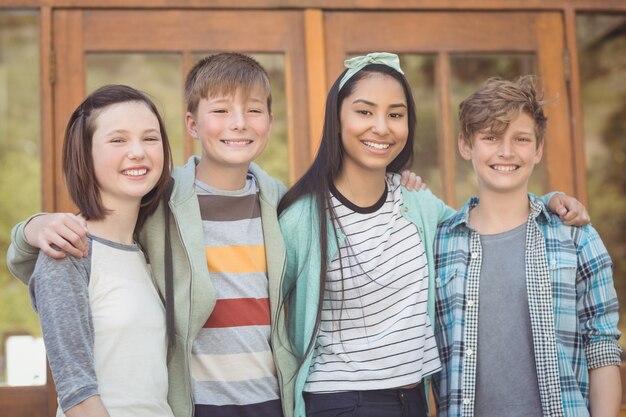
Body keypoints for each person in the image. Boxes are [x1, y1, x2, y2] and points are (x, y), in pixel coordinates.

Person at [6, 53, 420, 417]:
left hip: (273, 401)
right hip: (195, 404)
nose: (238, 124)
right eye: (221, 111)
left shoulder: (285, 205)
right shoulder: (160, 201)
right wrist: (33, 227)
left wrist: (401, 183)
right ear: (191, 122)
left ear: (270, 122)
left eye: (254, 111)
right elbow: (74, 249)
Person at [276, 53, 590, 417]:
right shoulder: (303, 217)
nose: (381, 127)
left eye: (395, 114)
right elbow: (269, 321)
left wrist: (551, 203)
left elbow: (481, 221)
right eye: (364, 112)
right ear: (336, 119)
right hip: (342, 399)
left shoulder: (417, 204)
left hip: (414, 400)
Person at [432, 76, 621, 417]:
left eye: (520, 139)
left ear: (538, 149)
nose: (506, 151)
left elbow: (602, 347)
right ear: (465, 145)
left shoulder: (576, 236)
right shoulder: (439, 244)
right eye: (490, 137)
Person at [28, 84, 174, 417]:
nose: (137, 152)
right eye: (118, 140)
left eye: (150, 139)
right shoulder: (67, 252)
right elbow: (77, 395)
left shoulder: (146, 252)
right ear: (85, 154)